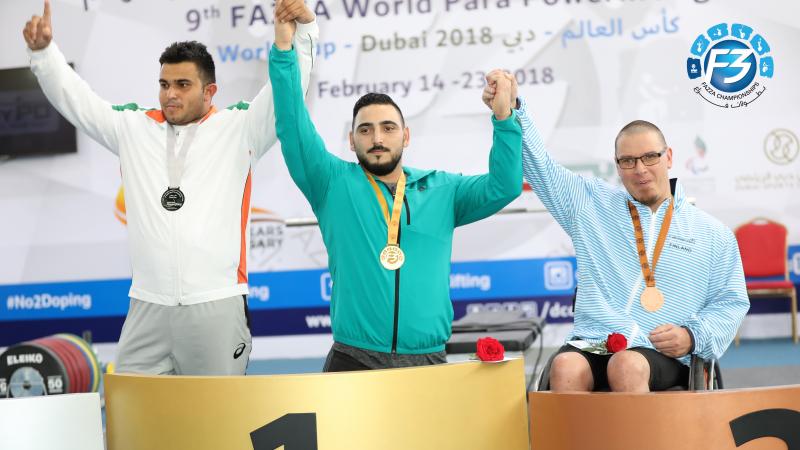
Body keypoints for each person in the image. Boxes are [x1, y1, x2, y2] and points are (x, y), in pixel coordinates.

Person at [22, 0, 319, 375]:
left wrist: (305, 33)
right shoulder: (133, 128)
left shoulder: (240, 127)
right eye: (164, 84)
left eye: (182, 85)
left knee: (216, 421)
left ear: (209, 91)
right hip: (147, 307)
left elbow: (287, 93)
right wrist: (44, 55)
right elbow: (79, 102)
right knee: (133, 421)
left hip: (215, 304)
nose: (170, 94)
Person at [268, 12, 522, 372]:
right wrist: (283, 46)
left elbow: (505, 185)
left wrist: (504, 119)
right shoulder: (331, 183)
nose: (377, 138)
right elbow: (292, 122)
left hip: (428, 359)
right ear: (351, 140)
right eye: (365, 130)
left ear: (406, 136)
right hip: (353, 358)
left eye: (388, 128)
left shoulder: (443, 189)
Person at [482, 71, 749, 392]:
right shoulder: (591, 205)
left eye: (650, 156)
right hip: (597, 341)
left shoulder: (712, 232)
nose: (640, 169)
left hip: (662, 350)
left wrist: (693, 336)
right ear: (617, 165)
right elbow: (542, 167)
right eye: (628, 161)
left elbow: (730, 302)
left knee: (627, 364)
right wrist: (512, 111)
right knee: (564, 366)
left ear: (669, 157)